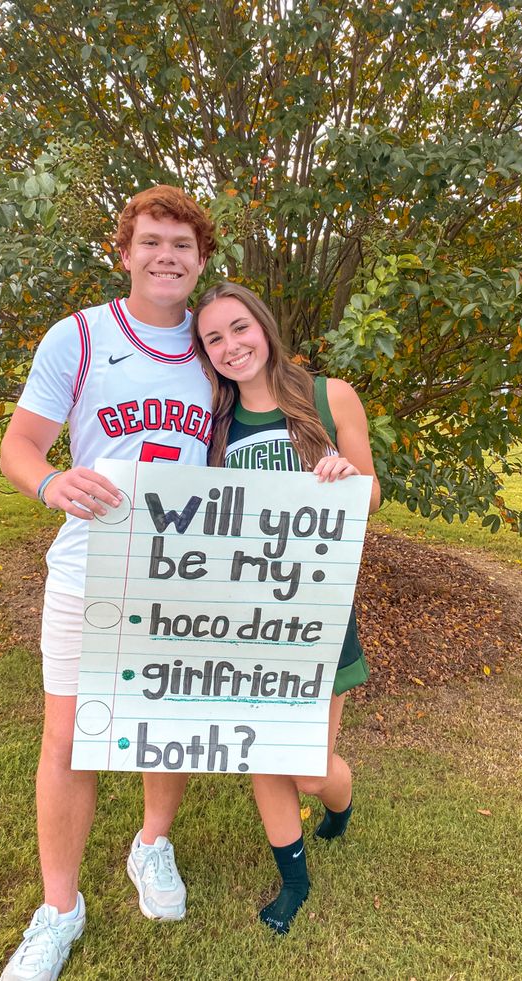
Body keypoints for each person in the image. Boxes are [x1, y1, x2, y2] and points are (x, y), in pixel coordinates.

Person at [0, 185, 216, 980]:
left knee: (169, 721)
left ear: (200, 261)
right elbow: (20, 445)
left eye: (183, 245)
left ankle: (151, 844)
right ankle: (59, 909)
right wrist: (51, 483)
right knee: (69, 736)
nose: (167, 255)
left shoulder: (216, 345)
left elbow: (269, 429)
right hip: (89, 565)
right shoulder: (80, 337)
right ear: (124, 251)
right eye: (152, 240)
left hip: (186, 570)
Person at [191, 281, 381, 936]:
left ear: (264, 327)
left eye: (239, 328)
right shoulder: (214, 424)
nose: (230, 345)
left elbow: (373, 491)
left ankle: (341, 798)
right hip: (244, 621)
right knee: (258, 750)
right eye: (213, 337)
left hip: (318, 614)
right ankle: (293, 877)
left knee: (306, 770)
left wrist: (347, 478)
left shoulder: (329, 396)